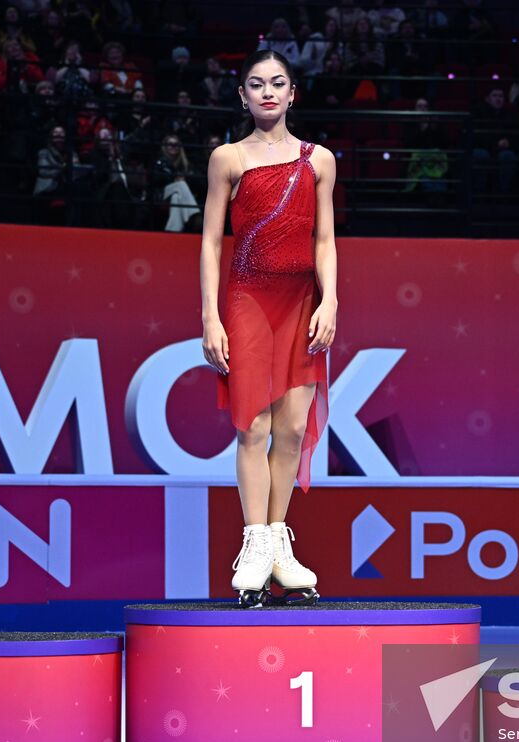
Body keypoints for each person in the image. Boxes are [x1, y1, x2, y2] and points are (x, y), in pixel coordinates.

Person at [197, 50, 335, 607]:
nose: (268, 92)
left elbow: (324, 239)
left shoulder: (318, 159)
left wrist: (332, 302)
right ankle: (255, 543)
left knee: (294, 429)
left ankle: (278, 545)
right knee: (252, 426)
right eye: (257, 85)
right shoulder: (227, 158)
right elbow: (210, 242)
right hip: (249, 299)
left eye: (278, 83)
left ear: (293, 93)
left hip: (302, 302)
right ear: (243, 96)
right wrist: (211, 315)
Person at [150, 134, 202, 232]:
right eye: (170, 144)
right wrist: (174, 179)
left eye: (176, 144)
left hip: (180, 196)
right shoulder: (159, 162)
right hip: (162, 194)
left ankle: (173, 230)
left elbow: (198, 182)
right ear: (165, 146)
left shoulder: (185, 164)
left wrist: (186, 178)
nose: (173, 147)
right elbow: (155, 180)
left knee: (176, 197)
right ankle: (195, 214)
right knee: (180, 184)